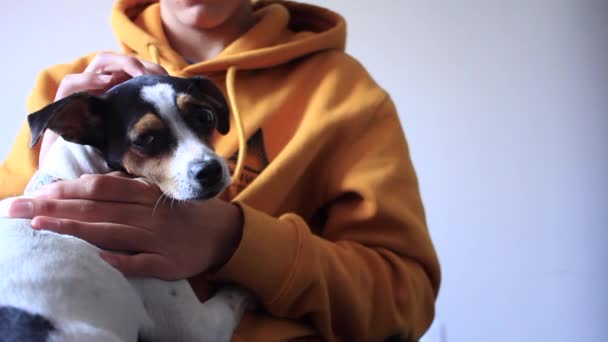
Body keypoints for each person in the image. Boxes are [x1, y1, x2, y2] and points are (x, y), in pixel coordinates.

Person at [0, 0, 441, 340]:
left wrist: (236, 241)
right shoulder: (71, 93)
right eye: (149, 139)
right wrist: (62, 154)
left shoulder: (342, 95)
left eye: (204, 122)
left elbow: (405, 301)